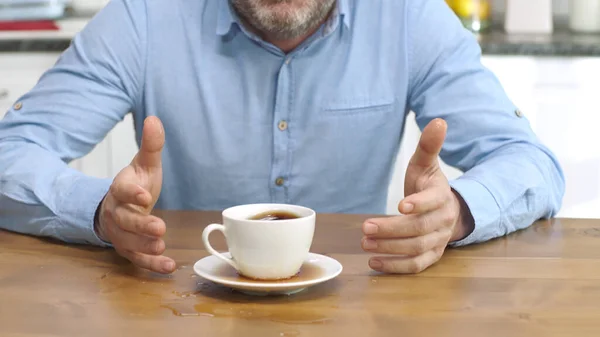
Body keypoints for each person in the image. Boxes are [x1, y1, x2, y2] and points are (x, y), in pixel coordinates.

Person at [0, 0, 564, 275]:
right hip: (175, 305)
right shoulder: (144, 16)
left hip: (358, 306)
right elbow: (11, 151)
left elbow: (530, 163)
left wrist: (457, 213)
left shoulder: (410, 16)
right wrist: (99, 212)